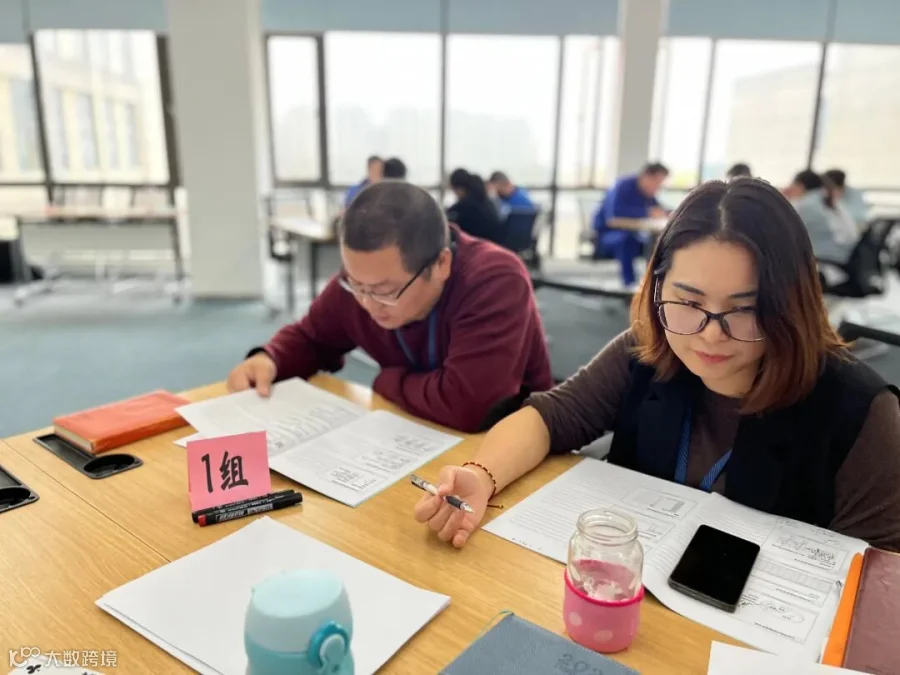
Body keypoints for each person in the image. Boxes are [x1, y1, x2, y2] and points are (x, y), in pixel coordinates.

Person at [414, 177, 900, 552]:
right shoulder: (649, 349)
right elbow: (550, 416)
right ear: (657, 287)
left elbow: (882, 578)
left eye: (745, 309)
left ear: (791, 303)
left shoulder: (861, 413)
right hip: (628, 589)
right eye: (688, 302)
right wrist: (481, 474)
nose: (711, 333)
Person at [227, 181, 553, 433]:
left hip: (503, 445)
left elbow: (469, 407)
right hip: (409, 429)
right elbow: (312, 338)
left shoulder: (495, 279)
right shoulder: (363, 281)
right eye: (355, 283)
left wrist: (387, 381)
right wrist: (270, 358)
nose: (367, 304)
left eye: (386, 291)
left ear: (441, 264)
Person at [592, 162, 669, 287]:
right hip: (608, 236)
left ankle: (653, 285)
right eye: (656, 182)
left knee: (659, 244)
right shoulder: (622, 186)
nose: (657, 188)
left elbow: (658, 209)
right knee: (627, 240)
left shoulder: (648, 193)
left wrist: (668, 213)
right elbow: (613, 217)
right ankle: (629, 285)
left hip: (636, 236)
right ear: (646, 176)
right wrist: (647, 212)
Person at [785, 170, 857, 263]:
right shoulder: (831, 202)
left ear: (800, 186)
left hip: (827, 261)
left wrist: (782, 198)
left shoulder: (805, 205)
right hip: (846, 257)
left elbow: (782, 230)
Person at [446, 169, 504, 245]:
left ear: (459, 189)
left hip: (478, 247)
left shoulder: (463, 209)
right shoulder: (488, 203)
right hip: (495, 246)